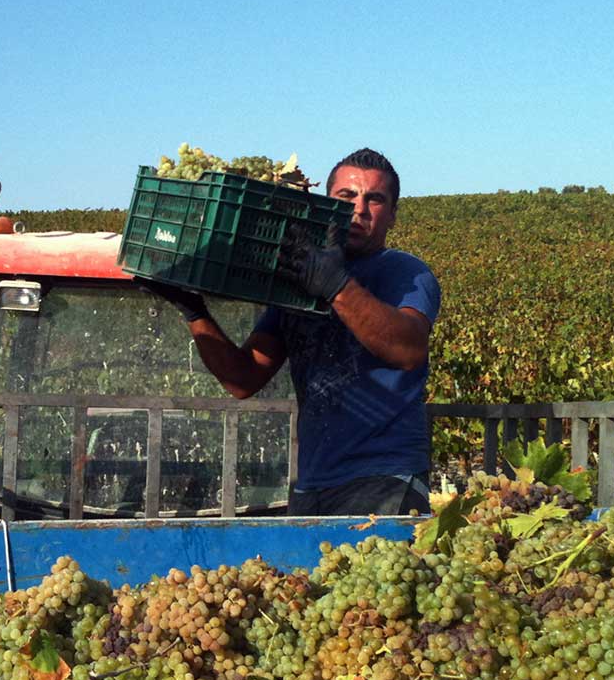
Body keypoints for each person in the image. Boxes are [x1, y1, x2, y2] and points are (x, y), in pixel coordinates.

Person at [151, 148, 441, 516]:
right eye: (347, 197)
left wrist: (336, 286)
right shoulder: (300, 284)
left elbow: (408, 350)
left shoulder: (404, 272)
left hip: (384, 477)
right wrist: (194, 311)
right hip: (313, 481)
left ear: (393, 215)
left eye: (375, 200)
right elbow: (243, 378)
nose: (359, 210)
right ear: (327, 203)